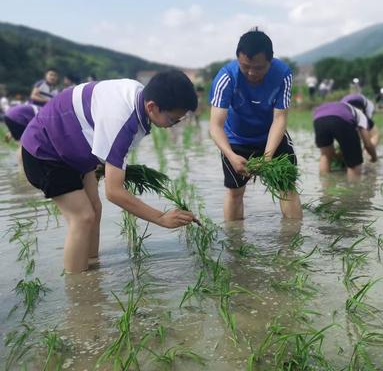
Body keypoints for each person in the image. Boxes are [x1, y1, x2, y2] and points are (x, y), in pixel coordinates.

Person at [21, 70, 199, 273]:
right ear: (152, 107)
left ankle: (92, 267)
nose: (173, 125)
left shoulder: (139, 96)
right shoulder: (121, 118)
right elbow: (114, 192)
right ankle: (78, 290)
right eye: (173, 120)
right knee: (83, 217)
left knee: (94, 209)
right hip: (45, 150)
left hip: (73, 146)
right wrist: (161, 218)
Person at [209, 28, 302, 221]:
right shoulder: (226, 77)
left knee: (287, 186)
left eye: (259, 68)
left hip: (271, 136)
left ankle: (293, 243)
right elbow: (215, 126)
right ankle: (235, 243)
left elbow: (280, 118)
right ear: (238, 59)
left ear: (270, 61)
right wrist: (232, 156)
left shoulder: (283, 74)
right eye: (245, 66)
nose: (251, 73)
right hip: (236, 140)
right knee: (235, 192)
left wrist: (267, 157)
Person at [313, 101, 377, 181]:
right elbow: (367, 144)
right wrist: (374, 158)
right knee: (354, 163)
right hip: (341, 118)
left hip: (318, 118)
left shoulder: (344, 107)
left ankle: (325, 188)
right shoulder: (362, 116)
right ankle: (353, 190)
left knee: (325, 155)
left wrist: (341, 155)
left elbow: (332, 153)